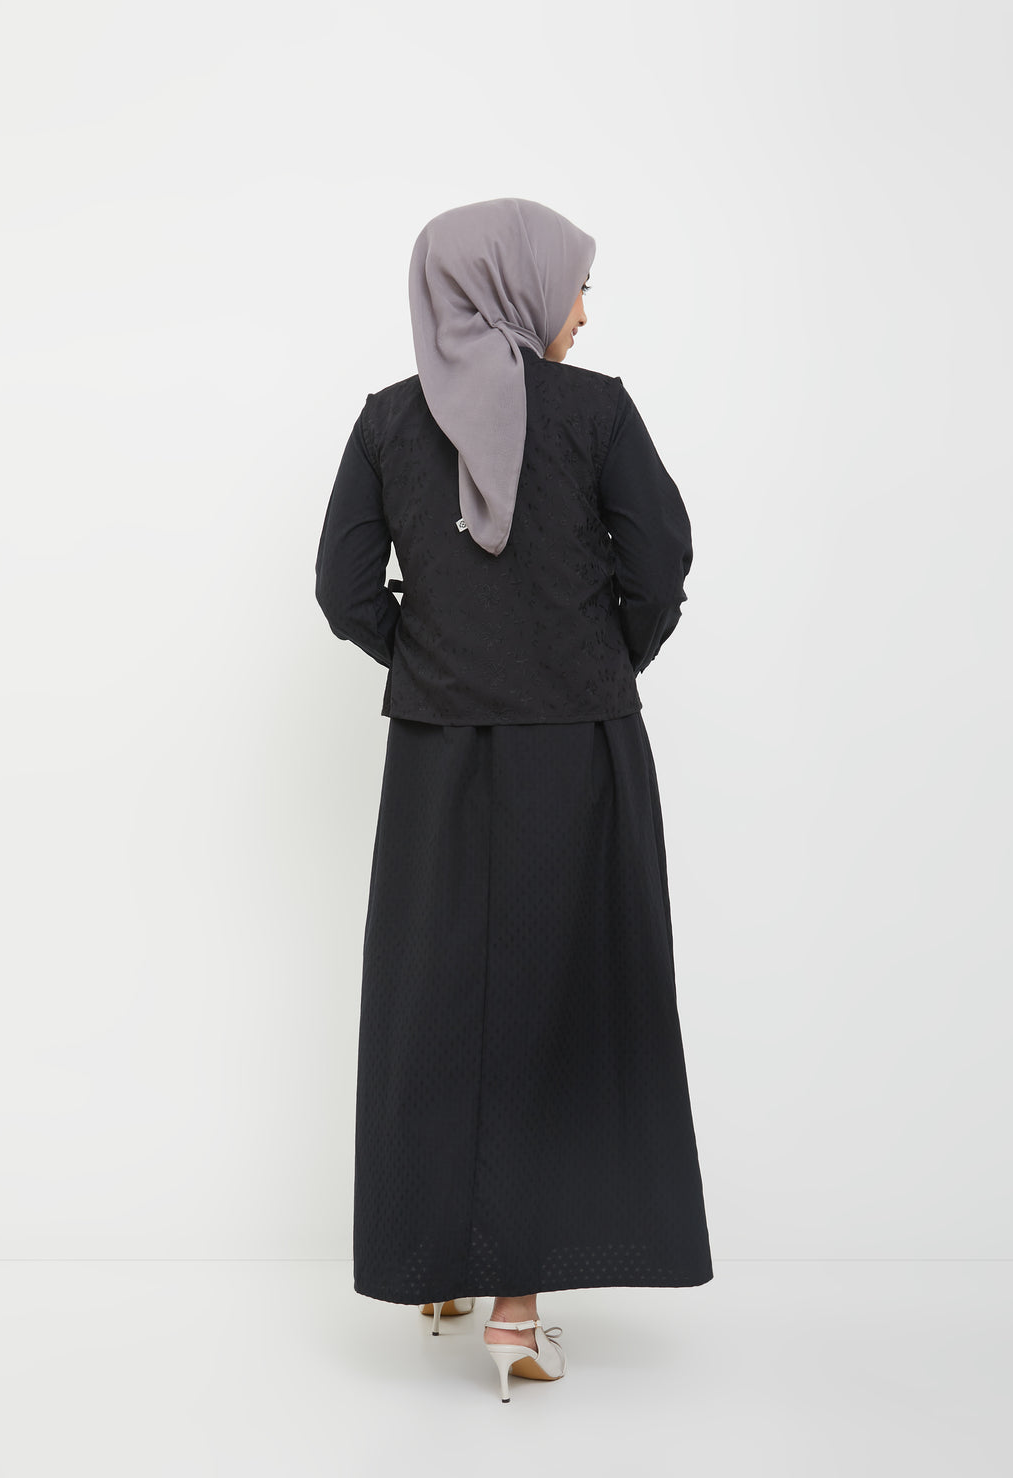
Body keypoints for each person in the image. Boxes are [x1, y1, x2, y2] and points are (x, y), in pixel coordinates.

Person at [315, 197, 713, 1403]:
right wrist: (594, 658)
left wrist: (436, 657)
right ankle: (516, 1307)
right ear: (518, 285)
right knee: (553, 1005)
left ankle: (439, 1265)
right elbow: (661, 561)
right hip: (575, 752)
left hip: (437, 752)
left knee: (441, 1004)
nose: (581, 311)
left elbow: (342, 587)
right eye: (576, 284)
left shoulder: (389, 420)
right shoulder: (594, 412)